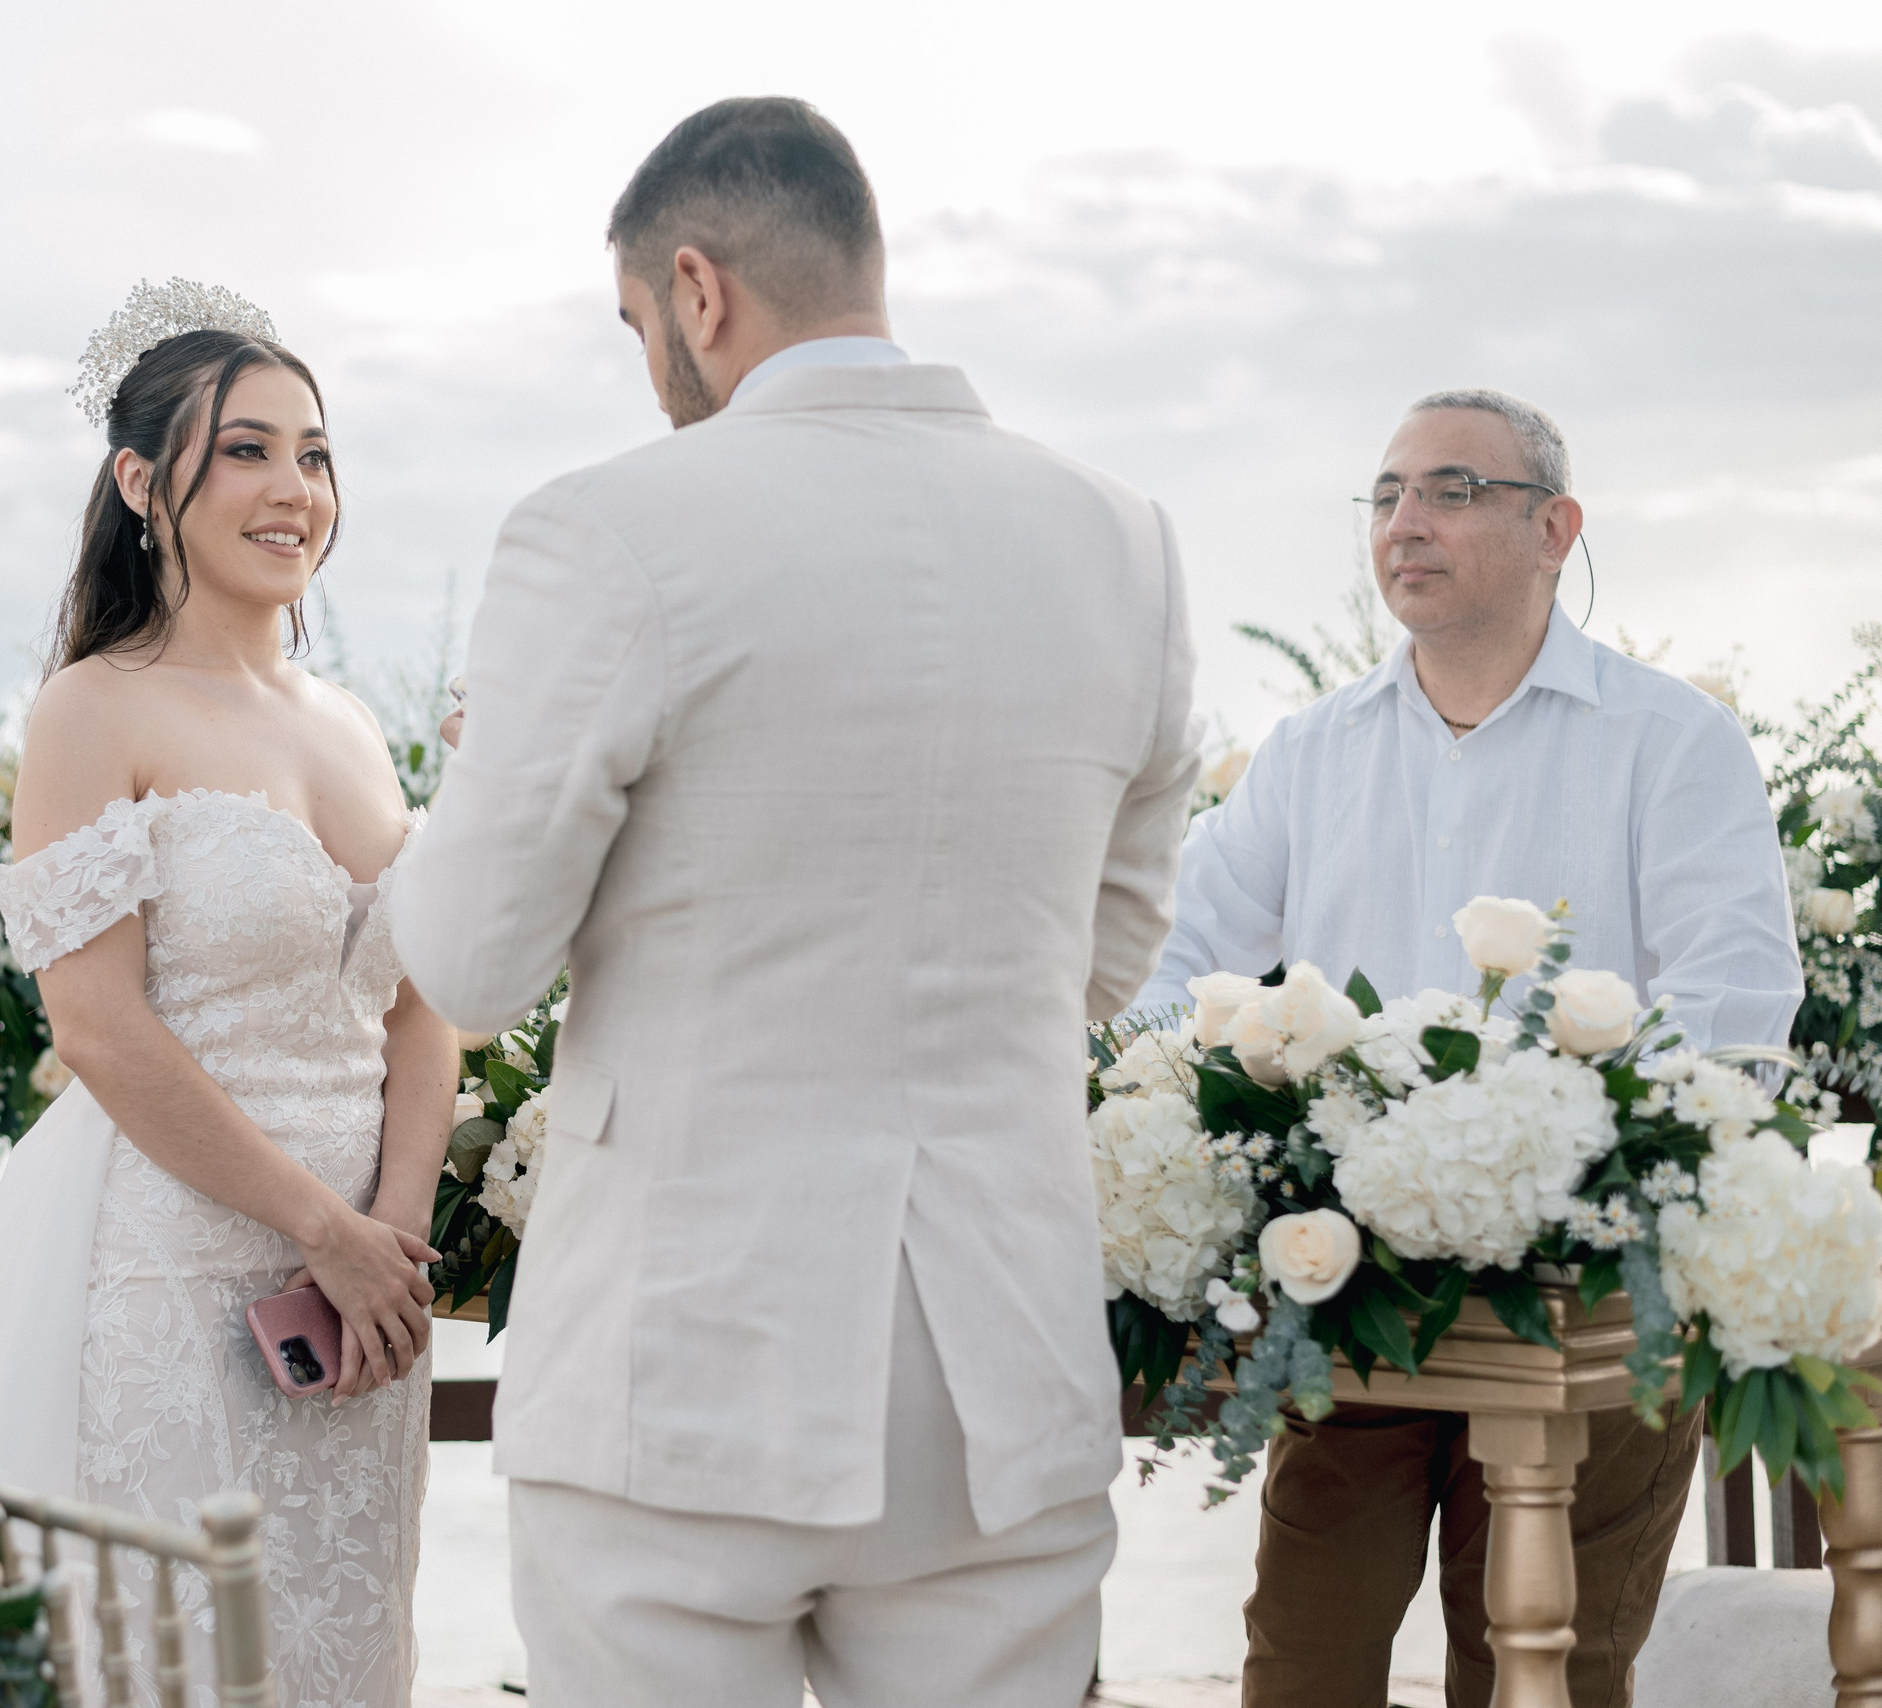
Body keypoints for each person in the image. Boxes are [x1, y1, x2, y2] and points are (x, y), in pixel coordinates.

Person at [394, 98, 1199, 1708]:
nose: (650, 369)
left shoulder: (608, 530)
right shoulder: (1124, 540)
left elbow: (472, 958)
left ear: (698, 290)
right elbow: (1105, 964)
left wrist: (472, 785)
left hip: (680, 1370)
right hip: (998, 1383)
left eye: (639, 324)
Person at [1135, 388, 1803, 1708]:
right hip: (1360, 1304)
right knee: (1300, 1669)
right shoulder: (1308, 755)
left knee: (1542, 1673)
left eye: (1450, 490)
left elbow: (1733, 1021)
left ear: (1554, 527)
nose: (1405, 523)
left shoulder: (1671, 742)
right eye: (1386, 496)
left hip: (1596, 1311)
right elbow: (1182, 982)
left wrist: (1550, 1171)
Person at [0, 286, 457, 1708]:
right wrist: (315, 1224)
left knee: (339, 1645)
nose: (295, 490)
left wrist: (390, 1230)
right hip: (173, 1271)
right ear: (145, 482)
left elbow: (422, 999)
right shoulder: (93, 709)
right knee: (176, 1659)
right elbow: (94, 1024)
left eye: (318, 454)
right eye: (251, 451)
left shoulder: (352, 730)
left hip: (358, 1312)